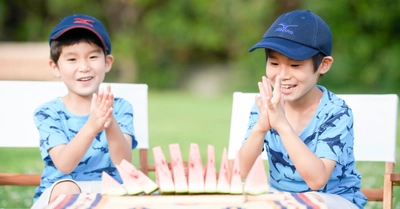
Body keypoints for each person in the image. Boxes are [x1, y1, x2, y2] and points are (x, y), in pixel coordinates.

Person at [238, 10, 367, 209]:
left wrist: (281, 125)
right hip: (280, 199)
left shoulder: (336, 112)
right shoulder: (266, 106)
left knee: (308, 203)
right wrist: (260, 128)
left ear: (323, 65)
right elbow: (240, 173)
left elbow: (317, 181)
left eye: (295, 65)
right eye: (274, 63)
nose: (282, 75)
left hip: (333, 200)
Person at [31, 14, 137, 209]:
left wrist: (109, 121)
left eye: (93, 57)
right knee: (66, 188)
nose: (84, 67)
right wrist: (92, 126)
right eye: (72, 59)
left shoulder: (121, 108)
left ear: (107, 62)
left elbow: (123, 162)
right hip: (59, 197)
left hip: (110, 194)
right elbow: (64, 165)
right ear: (55, 67)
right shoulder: (48, 113)